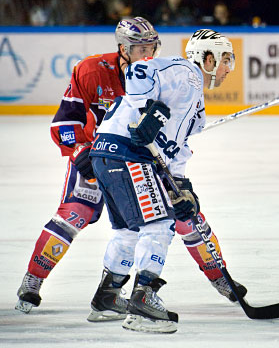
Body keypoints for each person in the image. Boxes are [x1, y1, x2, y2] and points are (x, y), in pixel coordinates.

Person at [15, 18, 246, 318]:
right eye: (140, 48)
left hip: (139, 158)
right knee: (77, 213)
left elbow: (171, 138)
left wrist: (180, 181)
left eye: (152, 47)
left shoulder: (167, 80)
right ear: (123, 49)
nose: (147, 54)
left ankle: (219, 278)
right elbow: (64, 120)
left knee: (184, 213)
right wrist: (78, 150)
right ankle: (34, 279)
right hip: (93, 156)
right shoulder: (93, 70)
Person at [87, 29, 236, 333]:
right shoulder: (186, 72)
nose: (228, 69)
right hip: (128, 152)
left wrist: (182, 187)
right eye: (226, 60)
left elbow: (175, 152)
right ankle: (144, 300)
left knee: (128, 230)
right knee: (158, 225)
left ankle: (108, 295)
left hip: (106, 152)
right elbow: (140, 68)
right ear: (208, 58)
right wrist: (145, 111)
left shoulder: (196, 107)